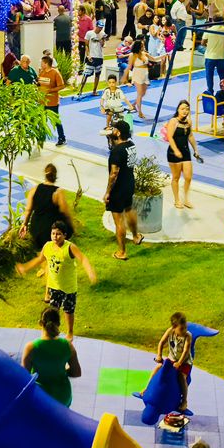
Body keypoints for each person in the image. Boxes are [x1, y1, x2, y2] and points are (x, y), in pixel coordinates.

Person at [16, 222, 98, 341]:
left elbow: (82, 258)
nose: (55, 236)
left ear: (65, 235)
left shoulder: (70, 247)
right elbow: (40, 259)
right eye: (53, 233)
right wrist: (25, 267)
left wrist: (90, 271)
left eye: (58, 234)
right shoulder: (47, 246)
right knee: (53, 311)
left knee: (68, 311)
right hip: (54, 286)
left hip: (69, 287)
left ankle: (70, 332)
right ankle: (52, 331)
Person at [21, 306, 81, 407]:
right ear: (59, 324)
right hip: (63, 397)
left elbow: (23, 377)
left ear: (40, 323)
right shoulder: (67, 345)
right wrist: (61, 371)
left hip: (40, 398)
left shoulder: (31, 347)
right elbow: (76, 372)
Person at [104, 119, 141, 260]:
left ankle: (122, 252)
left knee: (118, 221)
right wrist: (110, 137)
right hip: (129, 183)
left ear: (118, 133)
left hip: (118, 188)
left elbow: (114, 173)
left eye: (114, 129)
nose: (112, 131)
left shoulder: (116, 151)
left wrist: (108, 192)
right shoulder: (131, 145)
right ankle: (136, 236)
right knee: (129, 209)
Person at [23, 164, 77, 248]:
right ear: (55, 176)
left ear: (45, 175)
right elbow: (65, 212)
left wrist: (24, 224)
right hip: (51, 234)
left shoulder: (34, 189)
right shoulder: (58, 192)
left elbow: (28, 210)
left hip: (35, 232)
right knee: (64, 219)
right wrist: (72, 227)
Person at [155, 311, 194, 412]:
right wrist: (159, 355)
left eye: (185, 327)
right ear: (174, 327)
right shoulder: (170, 331)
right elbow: (161, 343)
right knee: (158, 368)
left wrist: (179, 363)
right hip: (172, 358)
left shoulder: (188, 336)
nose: (184, 330)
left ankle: (184, 401)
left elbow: (186, 351)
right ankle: (146, 388)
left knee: (181, 377)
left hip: (184, 361)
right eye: (181, 328)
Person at [165, 100, 201, 210]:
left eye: (187, 109)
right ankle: (177, 200)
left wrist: (195, 149)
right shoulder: (173, 121)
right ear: (178, 110)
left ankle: (186, 199)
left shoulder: (189, 121)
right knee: (176, 177)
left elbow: (190, 136)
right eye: (182, 109)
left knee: (188, 177)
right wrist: (176, 150)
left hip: (185, 152)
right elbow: (170, 137)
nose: (185, 111)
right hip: (173, 153)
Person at [39, 52, 66, 146]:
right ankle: (41, 138)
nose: (41, 64)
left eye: (42, 63)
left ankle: (62, 138)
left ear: (46, 64)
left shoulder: (55, 73)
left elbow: (62, 86)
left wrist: (50, 90)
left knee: (56, 121)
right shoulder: (41, 72)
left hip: (52, 102)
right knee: (42, 121)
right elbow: (40, 84)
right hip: (42, 101)